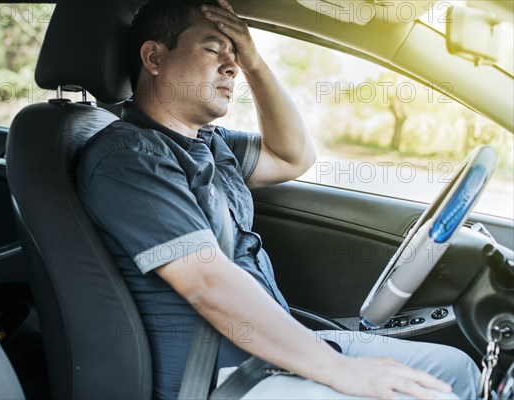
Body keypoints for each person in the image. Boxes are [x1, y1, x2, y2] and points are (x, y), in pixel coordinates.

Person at [76, 0, 480, 398]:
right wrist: (337, 369)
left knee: (456, 371)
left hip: (271, 350)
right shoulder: (129, 158)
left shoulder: (210, 144)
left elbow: (294, 156)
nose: (231, 66)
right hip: (220, 376)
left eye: (234, 56)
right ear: (154, 57)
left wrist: (254, 63)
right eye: (213, 50)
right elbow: (206, 282)